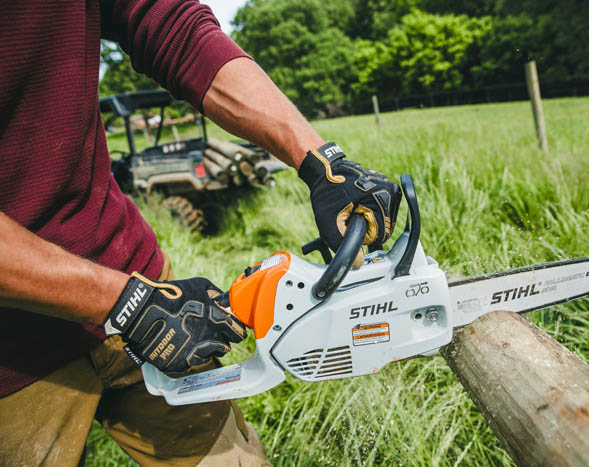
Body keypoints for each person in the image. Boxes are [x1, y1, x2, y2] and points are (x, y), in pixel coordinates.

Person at [0, 1, 402, 465]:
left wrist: (321, 162)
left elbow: (170, 23)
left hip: (140, 281)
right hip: (15, 356)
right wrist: (125, 303)